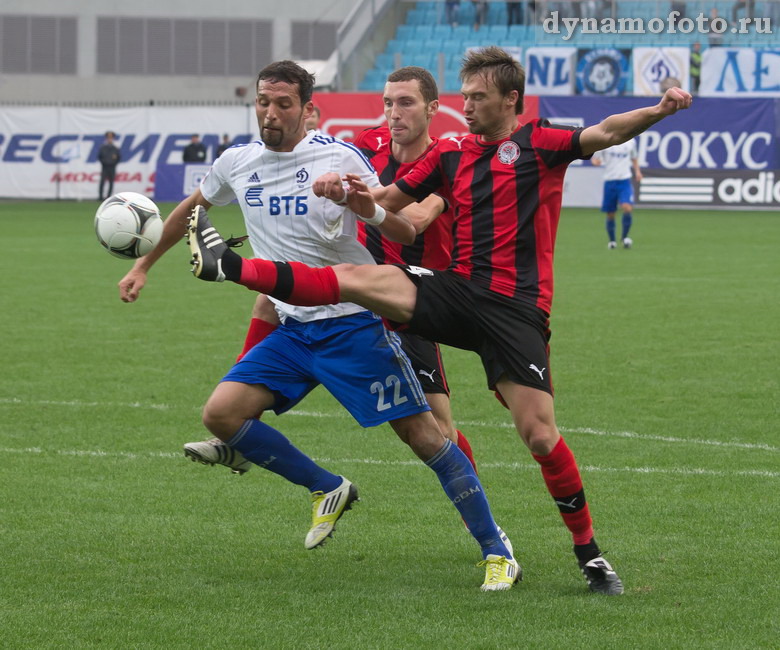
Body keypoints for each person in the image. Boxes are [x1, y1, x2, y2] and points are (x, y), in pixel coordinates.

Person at [189, 47, 693, 595]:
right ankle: (234, 268)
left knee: (540, 436)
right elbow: (389, 202)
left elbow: (605, 132)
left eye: (477, 97)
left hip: (516, 311)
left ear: (511, 101)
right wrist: (351, 199)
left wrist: (659, 110)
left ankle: (589, 554)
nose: (468, 106)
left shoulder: (541, 143)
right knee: (366, 281)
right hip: (454, 289)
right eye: (465, 96)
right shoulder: (449, 151)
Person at [119, 59, 517, 591]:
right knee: (221, 415)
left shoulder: (338, 155)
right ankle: (327, 487)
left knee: (425, 437)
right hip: (293, 329)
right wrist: (144, 264)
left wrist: (361, 203)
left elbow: (393, 223)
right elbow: (189, 211)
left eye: (284, 104)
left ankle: (497, 549)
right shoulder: (237, 162)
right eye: (263, 102)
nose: (271, 113)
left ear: (309, 111)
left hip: (354, 324)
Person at [188, 66, 481, 476]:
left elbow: (415, 216)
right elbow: (327, 160)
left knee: (436, 428)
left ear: (433, 108)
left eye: (406, 103)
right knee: (272, 298)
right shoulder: (368, 145)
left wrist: (356, 196)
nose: (394, 113)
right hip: (359, 284)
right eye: (388, 103)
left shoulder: (447, 158)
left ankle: (472, 496)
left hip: (412, 293)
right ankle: (235, 429)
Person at [591, 139, 642, 249]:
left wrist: (637, 171)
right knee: (610, 213)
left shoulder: (631, 142)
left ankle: (624, 237)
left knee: (627, 207)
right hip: (610, 180)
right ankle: (612, 241)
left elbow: (634, 157)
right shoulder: (605, 142)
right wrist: (596, 162)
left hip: (624, 180)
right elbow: (595, 159)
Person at [98, 131, 121, 200]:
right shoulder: (103, 148)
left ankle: (108, 197)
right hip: (105, 167)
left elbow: (118, 158)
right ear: (106, 138)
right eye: (108, 138)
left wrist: (113, 163)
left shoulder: (115, 148)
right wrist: (104, 162)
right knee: (102, 181)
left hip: (112, 167)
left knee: (111, 182)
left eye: (111, 138)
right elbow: (100, 157)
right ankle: (100, 197)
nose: (109, 139)